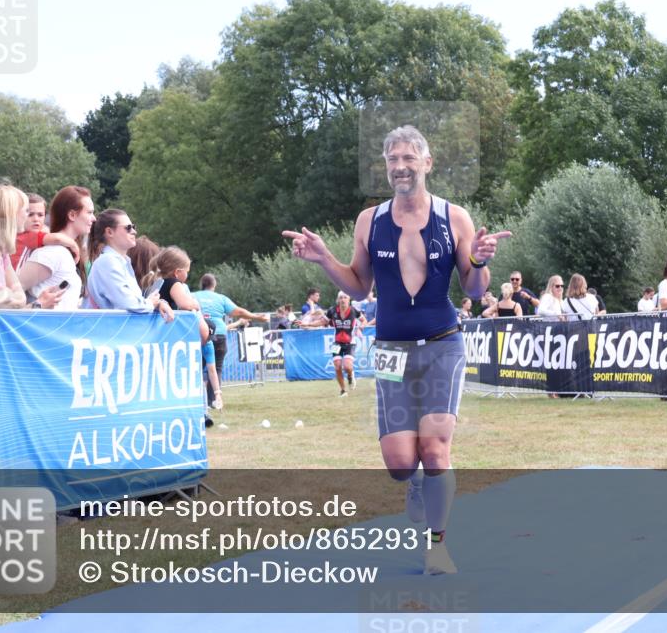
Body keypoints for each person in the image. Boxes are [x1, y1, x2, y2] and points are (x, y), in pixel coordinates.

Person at [282, 125, 510, 575]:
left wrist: (481, 261)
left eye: (409, 158)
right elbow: (360, 285)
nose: (400, 167)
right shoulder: (370, 221)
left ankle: (438, 548)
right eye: (392, 160)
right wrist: (325, 259)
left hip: (443, 344)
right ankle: (416, 482)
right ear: (385, 167)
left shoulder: (455, 217)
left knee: (437, 448)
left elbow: (474, 285)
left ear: (427, 163)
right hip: (389, 350)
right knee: (402, 464)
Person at [192, 273, 268, 410]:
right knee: (216, 369)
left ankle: (195, 400)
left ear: (201, 285)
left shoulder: (193, 295)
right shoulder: (221, 298)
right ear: (214, 285)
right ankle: (213, 400)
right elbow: (239, 312)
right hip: (219, 335)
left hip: (199, 334)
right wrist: (256, 317)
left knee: (195, 368)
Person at [82, 209, 173, 321]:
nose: (134, 232)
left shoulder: (121, 261)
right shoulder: (107, 262)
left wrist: (157, 303)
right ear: (109, 232)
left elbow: (133, 302)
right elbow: (127, 303)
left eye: (134, 227)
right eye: (128, 228)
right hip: (106, 333)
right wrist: (151, 303)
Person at [16, 186, 95, 310]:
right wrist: (38, 305)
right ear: (72, 215)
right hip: (42, 327)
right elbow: (11, 293)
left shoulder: (61, 252)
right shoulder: (52, 253)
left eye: (40, 214)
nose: (93, 218)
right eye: (89, 212)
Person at [327, 291, 364, 396]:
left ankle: (350, 375)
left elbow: (364, 320)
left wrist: (360, 328)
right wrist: (308, 324)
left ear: (349, 300)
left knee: (347, 366)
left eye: (345, 297)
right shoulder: (332, 311)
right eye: (341, 298)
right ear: (338, 300)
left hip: (350, 342)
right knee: (337, 366)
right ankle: (343, 391)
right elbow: (322, 321)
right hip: (336, 343)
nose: (343, 300)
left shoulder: (354, 311)